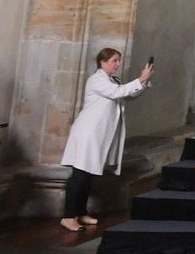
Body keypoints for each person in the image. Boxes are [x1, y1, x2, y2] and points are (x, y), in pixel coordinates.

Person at [58, 47, 152, 232]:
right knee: (80, 175)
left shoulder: (112, 81)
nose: (117, 64)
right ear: (102, 62)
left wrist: (144, 80)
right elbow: (117, 92)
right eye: (114, 61)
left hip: (98, 135)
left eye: (118, 60)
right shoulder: (97, 80)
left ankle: (80, 212)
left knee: (88, 175)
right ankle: (68, 217)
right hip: (88, 133)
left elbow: (128, 94)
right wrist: (140, 79)